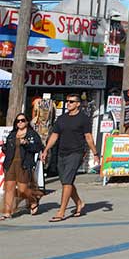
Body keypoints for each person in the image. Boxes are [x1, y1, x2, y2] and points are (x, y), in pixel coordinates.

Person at [41, 94, 99, 222]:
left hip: (76, 153)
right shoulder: (62, 118)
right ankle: (79, 202)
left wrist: (95, 154)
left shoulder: (83, 119)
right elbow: (54, 135)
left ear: (78, 104)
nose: (68, 103)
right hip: (62, 153)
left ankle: (61, 212)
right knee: (66, 181)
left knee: (67, 181)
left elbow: (88, 137)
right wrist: (46, 150)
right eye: (67, 101)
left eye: (71, 101)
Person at [2, 113, 44, 219]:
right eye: (18, 121)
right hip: (10, 164)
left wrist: (27, 144)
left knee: (22, 189)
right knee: (9, 188)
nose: (20, 122)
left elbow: (38, 147)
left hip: (24, 164)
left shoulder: (32, 134)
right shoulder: (12, 134)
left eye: (22, 120)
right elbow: (7, 148)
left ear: (27, 122)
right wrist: (4, 147)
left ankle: (33, 200)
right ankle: (7, 212)